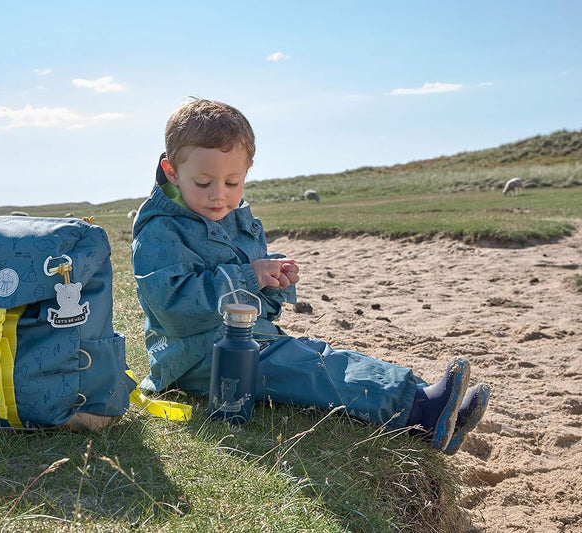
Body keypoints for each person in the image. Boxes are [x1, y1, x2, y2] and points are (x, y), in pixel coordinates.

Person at [131, 98, 490, 454]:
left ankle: (431, 401)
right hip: (195, 361)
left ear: (248, 169)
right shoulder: (159, 232)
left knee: (319, 354)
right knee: (310, 369)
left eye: (233, 182)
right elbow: (172, 306)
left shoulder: (231, 217)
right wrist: (248, 276)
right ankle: (421, 413)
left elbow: (256, 301)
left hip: (248, 339)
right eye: (204, 182)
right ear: (173, 171)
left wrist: (272, 281)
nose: (219, 195)